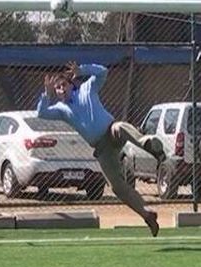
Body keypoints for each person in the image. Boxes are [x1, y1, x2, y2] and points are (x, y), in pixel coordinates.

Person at [36, 61, 165, 237]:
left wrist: (82, 70)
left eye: (63, 85)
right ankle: (147, 215)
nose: (60, 90)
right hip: (102, 150)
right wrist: (46, 94)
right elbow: (41, 113)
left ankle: (148, 144)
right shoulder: (61, 109)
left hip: (111, 132)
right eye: (57, 88)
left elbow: (102, 72)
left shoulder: (87, 89)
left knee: (120, 128)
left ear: (71, 84)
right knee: (117, 187)